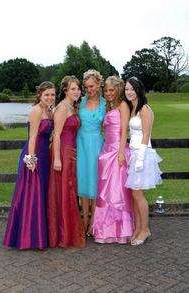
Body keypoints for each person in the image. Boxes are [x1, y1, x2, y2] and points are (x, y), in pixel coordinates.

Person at [4, 81, 55, 249]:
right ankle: (28, 237)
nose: (50, 97)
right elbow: (32, 137)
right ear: (39, 95)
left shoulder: (49, 111)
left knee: (42, 194)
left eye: (52, 94)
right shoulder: (36, 111)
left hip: (45, 156)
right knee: (32, 194)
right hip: (34, 156)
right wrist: (31, 160)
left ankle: (40, 234)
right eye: (46, 94)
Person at [93, 76, 134, 244]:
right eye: (106, 91)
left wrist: (120, 153)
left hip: (118, 151)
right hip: (106, 151)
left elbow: (124, 130)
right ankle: (104, 230)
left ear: (118, 89)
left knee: (118, 192)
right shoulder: (109, 106)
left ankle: (120, 231)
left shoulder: (123, 105)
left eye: (112, 90)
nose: (108, 93)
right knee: (105, 192)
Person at [47, 75, 85, 248]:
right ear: (65, 90)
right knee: (65, 191)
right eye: (72, 89)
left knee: (69, 190)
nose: (76, 91)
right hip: (62, 153)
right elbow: (56, 135)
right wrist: (56, 158)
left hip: (71, 153)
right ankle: (63, 234)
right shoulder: (62, 107)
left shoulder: (73, 106)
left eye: (77, 88)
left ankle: (67, 231)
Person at [124, 76, 162, 246]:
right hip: (133, 153)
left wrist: (139, 159)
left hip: (142, 154)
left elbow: (146, 135)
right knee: (134, 194)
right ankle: (139, 227)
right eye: (126, 89)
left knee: (138, 194)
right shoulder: (132, 108)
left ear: (139, 90)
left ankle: (145, 229)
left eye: (132, 89)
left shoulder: (145, 109)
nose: (129, 92)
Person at [77, 69, 106, 236]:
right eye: (87, 87)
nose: (89, 90)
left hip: (97, 145)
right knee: (83, 182)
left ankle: (93, 223)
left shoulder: (105, 103)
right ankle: (84, 221)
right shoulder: (79, 102)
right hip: (81, 144)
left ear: (99, 84)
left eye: (92, 86)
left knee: (95, 183)